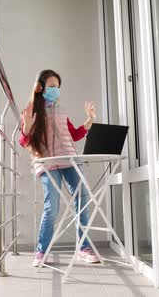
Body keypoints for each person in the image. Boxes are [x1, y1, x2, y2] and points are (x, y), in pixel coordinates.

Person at [19, 69, 100, 267]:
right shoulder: (31, 109)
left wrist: (89, 121)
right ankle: (41, 252)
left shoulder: (61, 110)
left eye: (58, 87)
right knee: (51, 207)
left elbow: (73, 135)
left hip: (69, 160)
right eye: (52, 86)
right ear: (40, 88)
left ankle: (84, 247)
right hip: (47, 163)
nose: (56, 90)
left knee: (82, 201)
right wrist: (27, 127)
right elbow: (23, 141)